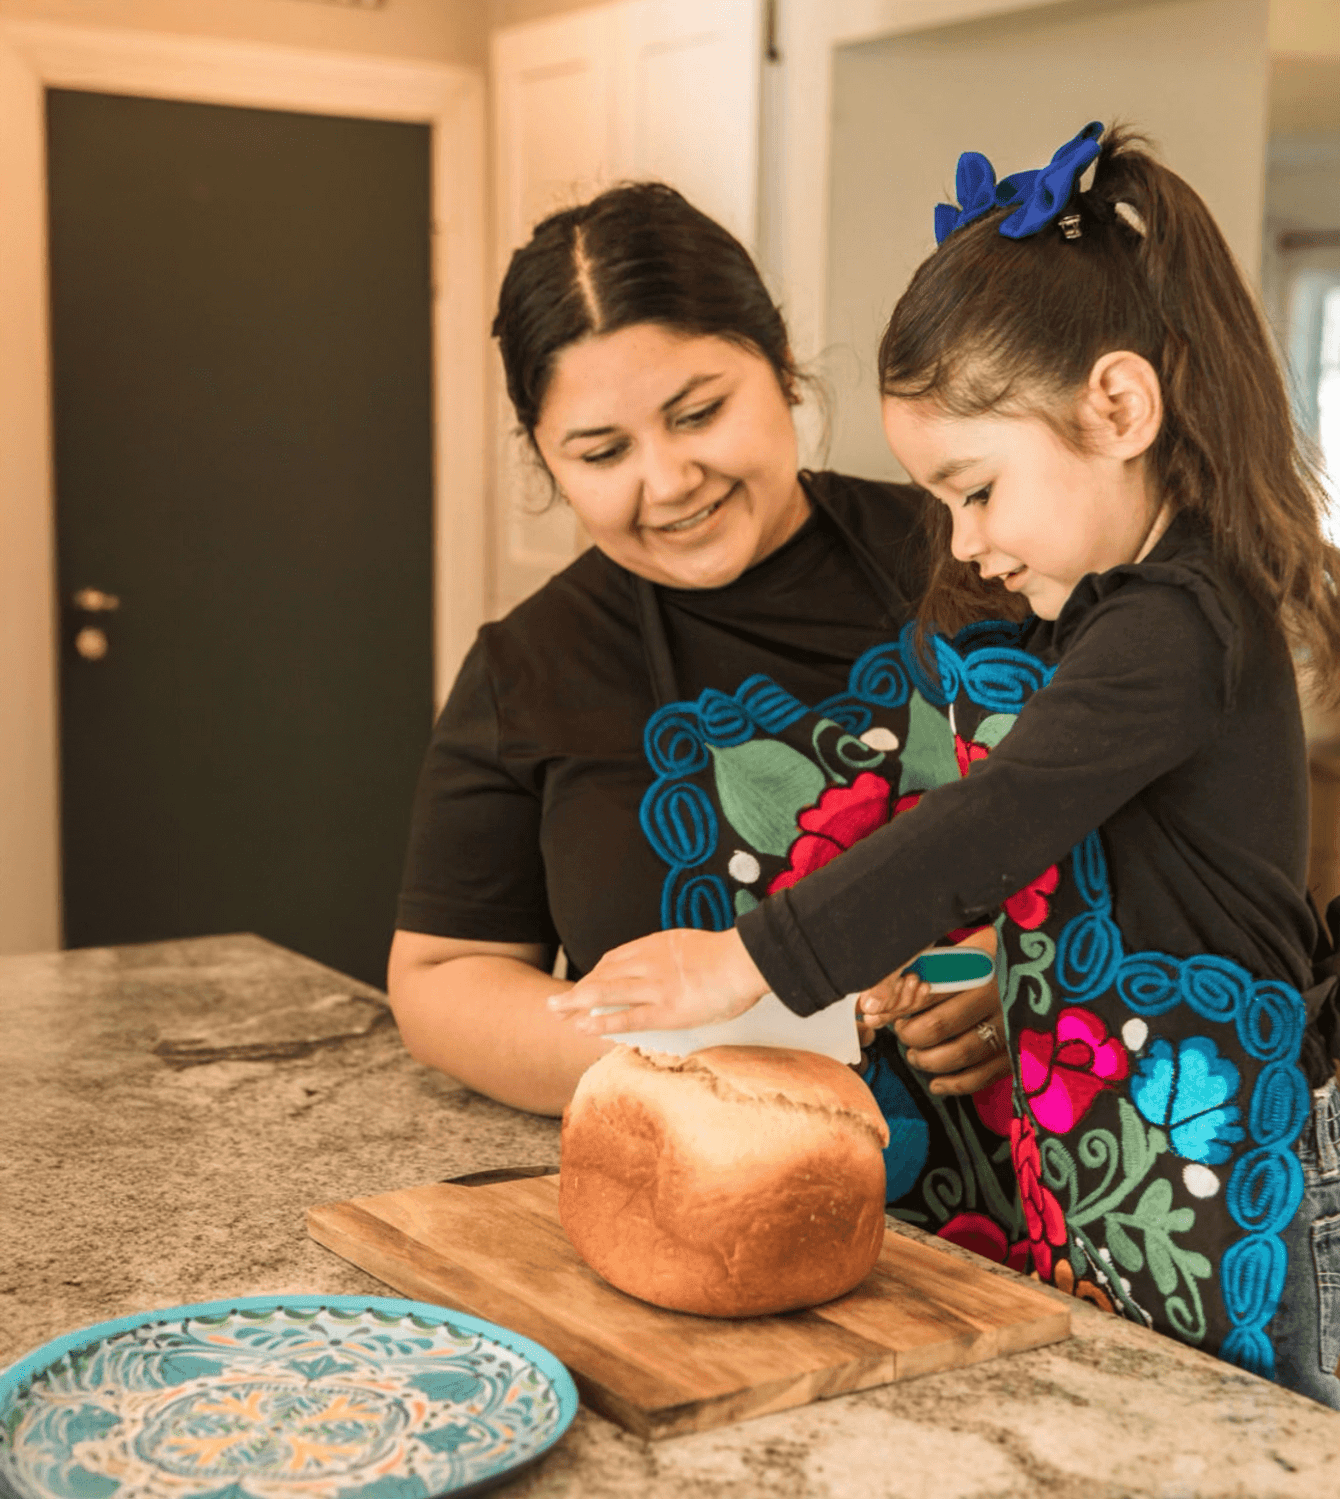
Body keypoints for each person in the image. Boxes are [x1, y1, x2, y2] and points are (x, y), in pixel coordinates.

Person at [554, 125, 1340, 1409]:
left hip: (1237, 1155)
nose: (962, 539)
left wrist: (742, 961)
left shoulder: (1181, 626)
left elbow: (993, 818)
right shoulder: (1099, 609)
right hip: (1136, 1152)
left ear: (1119, 408)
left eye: (976, 489)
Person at [387, 181, 1018, 1241]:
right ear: (545, 458)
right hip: (717, 1231)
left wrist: (1031, 972)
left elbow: (1151, 830)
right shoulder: (528, 666)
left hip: (1056, 1226)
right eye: (602, 452)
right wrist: (693, 1046)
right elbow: (441, 978)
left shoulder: (980, 552)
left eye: (699, 414)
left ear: (781, 366)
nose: (670, 479)